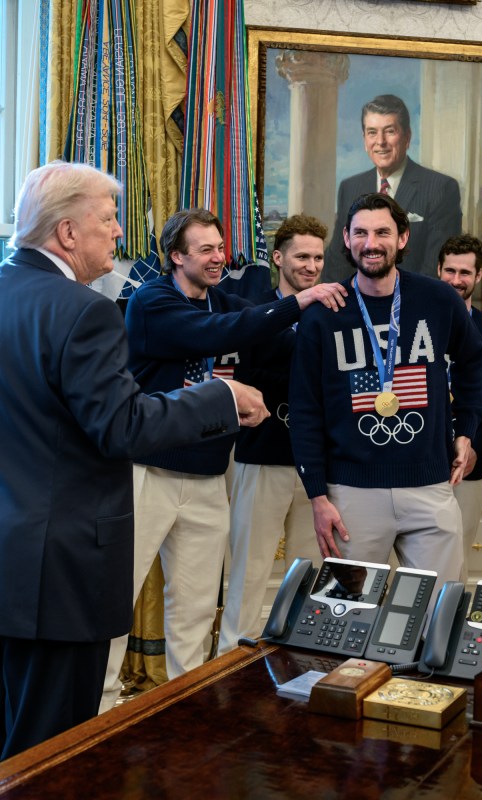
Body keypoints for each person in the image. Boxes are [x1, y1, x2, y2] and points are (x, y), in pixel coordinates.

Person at [0, 162, 268, 782]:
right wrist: (220, 399)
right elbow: (124, 428)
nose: (117, 235)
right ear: (65, 233)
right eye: (108, 220)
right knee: (50, 758)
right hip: (54, 572)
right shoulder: (83, 311)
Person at [102, 208, 346, 708]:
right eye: (206, 250)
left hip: (210, 476)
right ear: (176, 256)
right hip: (147, 473)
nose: (219, 258)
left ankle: (184, 710)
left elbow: (273, 341)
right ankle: (100, 708)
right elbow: (217, 334)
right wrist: (301, 300)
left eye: (220, 247)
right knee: (114, 601)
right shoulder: (153, 302)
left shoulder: (226, 302)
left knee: (193, 607)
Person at [290, 193, 482, 584]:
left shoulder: (438, 299)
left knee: (438, 613)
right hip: (351, 492)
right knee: (347, 620)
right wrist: (317, 495)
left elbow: (475, 361)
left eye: (382, 232)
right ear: (346, 239)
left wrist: (466, 429)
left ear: (402, 238)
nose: (371, 243)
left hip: (430, 485)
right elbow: (305, 408)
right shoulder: (324, 313)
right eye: (360, 232)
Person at [219, 215, 330, 652]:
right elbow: (251, 373)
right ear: (279, 258)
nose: (311, 266)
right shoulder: (254, 313)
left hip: (316, 466)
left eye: (319, 257)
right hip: (262, 453)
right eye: (302, 256)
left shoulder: (333, 311)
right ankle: (227, 667)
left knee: (311, 573)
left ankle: (303, 663)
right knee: (248, 570)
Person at [324, 94, 462, 283]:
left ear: (407, 137)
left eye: (389, 131)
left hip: (413, 304)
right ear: (365, 140)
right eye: (372, 132)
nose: (380, 141)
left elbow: (436, 266)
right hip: (354, 305)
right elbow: (337, 261)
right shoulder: (350, 187)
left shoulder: (441, 188)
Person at [436, 234, 482, 579]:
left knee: (456, 562)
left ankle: (444, 632)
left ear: (478, 276)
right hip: (419, 462)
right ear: (438, 270)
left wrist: (477, 449)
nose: (456, 280)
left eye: (465, 272)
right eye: (449, 270)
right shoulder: (414, 324)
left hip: (469, 468)